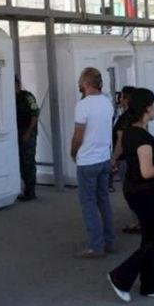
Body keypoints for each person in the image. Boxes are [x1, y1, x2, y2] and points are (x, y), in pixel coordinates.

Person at [108, 88, 154, 302]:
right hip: (146, 193)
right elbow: (147, 171)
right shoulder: (142, 137)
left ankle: (151, 283)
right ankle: (121, 276)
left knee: (149, 239)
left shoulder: (130, 131)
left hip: (136, 190)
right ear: (147, 108)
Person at [70, 67, 115, 258]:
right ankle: (110, 241)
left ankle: (96, 246)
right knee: (104, 201)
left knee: (88, 204)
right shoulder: (107, 102)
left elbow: (78, 135)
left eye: (81, 80)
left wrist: (73, 152)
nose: (79, 83)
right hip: (104, 158)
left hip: (88, 161)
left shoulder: (83, 105)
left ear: (86, 83)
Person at [110, 86, 139, 233]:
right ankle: (139, 221)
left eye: (121, 97)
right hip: (135, 157)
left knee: (130, 191)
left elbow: (121, 142)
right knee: (136, 190)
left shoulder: (124, 119)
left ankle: (138, 222)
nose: (119, 99)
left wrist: (113, 158)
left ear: (127, 100)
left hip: (126, 159)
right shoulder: (136, 115)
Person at [15, 76, 40, 201]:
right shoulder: (9, 97)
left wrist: (28, 133)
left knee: (28, 161)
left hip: (27, 132)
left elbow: (35, 114)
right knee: (19, 162)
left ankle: (31, 191)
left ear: (18, 85)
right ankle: (25, 189)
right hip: (16, 132)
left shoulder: (27, 97)